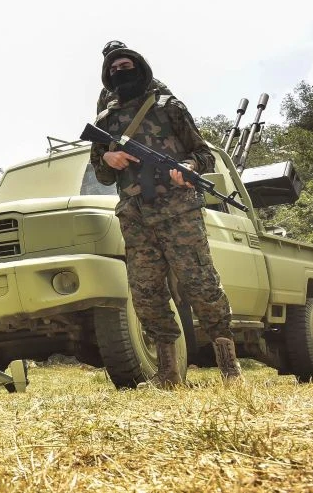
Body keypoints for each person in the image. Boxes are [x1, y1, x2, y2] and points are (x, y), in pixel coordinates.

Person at [88, 46, 242, 386]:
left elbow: (203, 154)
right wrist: (108, 160)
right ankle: (169, 374)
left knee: (201, 284)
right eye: (113, 68)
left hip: (178, 211)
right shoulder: (104, 122)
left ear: (140, 67)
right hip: (135, 215)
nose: (120, 70)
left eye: (126, 65)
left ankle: (230, 369)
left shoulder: (169, 107)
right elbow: (101, 174)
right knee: (146, 293)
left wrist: (188, 167)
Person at [95, 40, 172, 114]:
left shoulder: (149, 82)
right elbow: (101, 118)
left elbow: (169, 103)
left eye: (125, 66)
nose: (119, 70)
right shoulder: (105, 93)